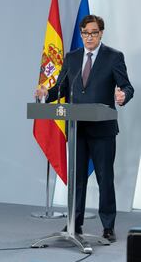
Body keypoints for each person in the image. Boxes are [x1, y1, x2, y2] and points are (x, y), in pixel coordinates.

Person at [35, 15, 134, 242]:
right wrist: (45, 95)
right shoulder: (72, 58)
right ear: (81, 34)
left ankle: (108, 226)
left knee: (104, 178)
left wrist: (122, 96)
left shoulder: (114, 57)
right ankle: (74, 223)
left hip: (103, 129)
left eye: (94, 32)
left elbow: (126, 86)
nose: (89, 37)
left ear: (101, 33)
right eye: (85, 33)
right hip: (76, 128)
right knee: (76, 179)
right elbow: (61, 87)